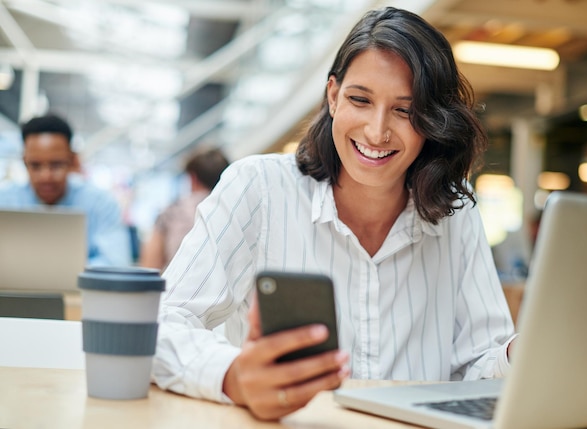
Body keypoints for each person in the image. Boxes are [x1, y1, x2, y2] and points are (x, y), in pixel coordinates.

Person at [152, 6, 517, 422]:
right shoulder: (258, 187)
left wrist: (518, 355)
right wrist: (232, 375)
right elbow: (163, 322)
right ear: (332, 96)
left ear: (432, 121)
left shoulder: (455, 213)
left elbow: (481, 369)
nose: (377, 131)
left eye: (404, 110)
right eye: (360, 100)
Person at [0, 114, 131, 267]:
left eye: (56, 165)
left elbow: (116, 264)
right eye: (35, 165)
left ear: (72, 160)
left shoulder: (101, 204)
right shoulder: (4, 201)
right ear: (24, 161)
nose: (46, 177)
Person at [139, 148, 230, 270]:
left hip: (181, 286)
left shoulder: (172, 212)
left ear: (193, 178)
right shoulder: (232, 212)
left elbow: (150, 266)